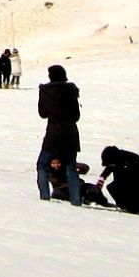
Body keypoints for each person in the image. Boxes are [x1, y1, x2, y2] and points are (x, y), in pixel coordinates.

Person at [37, 64, 82, 206]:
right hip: (70, 134)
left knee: (42, 165)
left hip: (53, 134)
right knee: (71, 168)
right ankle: (76, 201)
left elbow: (42, 114)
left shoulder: (45, 91)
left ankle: (45, 198)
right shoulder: (71, 90)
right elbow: (76, 116)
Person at [98, 145, 139, 217]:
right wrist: (102, 178)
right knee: (114, 186)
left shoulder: (127, 162)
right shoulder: (121, 158)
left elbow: (123, 183)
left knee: (115, 187)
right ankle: (132, 207)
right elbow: (110, 167)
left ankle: (134, 208)